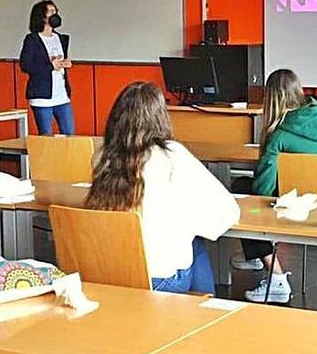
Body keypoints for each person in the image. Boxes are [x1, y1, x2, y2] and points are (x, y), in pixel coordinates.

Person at [85, 82, 240, 293]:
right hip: (158, 280)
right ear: (160, 117)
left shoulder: (101, 156)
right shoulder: (171, 155)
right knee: (195, 242)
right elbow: (228, 211)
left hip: (108, 274)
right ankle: (206, 313)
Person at [232, 69, 317, 303]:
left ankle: (276, 275)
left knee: (244, 193)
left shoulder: (279, 135)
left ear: (272, 98)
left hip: (292, 206)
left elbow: (262, 187)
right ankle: (255, 253)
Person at [19, 0, 74, 135]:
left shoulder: (61, 38)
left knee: (69, 133)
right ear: (42, 17)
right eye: (51, 12)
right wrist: (49, 66)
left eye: (56, 11)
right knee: (46, 136)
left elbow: (62, 61)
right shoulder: (32, 39)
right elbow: (26, 65)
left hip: (61, 94)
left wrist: (66, 63)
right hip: (42, 96)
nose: (55, 14)